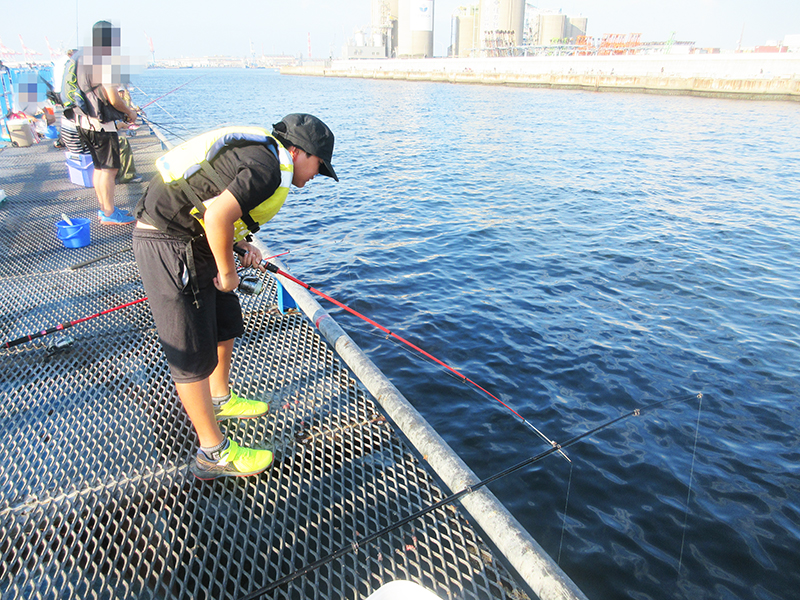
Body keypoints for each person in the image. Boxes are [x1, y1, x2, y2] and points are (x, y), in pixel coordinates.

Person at [132, 114, 338, 480]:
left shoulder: (266, 157)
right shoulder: (270, 167)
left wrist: (240, 243)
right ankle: (213, 453)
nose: (314, 176)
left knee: (226, 321)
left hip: (194, 236)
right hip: (168, 239)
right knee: (190, 349)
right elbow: (216, 218)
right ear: (297, 151)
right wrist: (227, 273)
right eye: (318, 165)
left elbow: (216, 207)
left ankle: (220, 399)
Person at [71, 21, 138, 224]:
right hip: (101, 124)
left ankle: (105, 209)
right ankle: (109, 214)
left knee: (100, 168)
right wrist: (129, 112)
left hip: (83, 121)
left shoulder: (82, 58)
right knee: (110, 169)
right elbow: (113, 98)